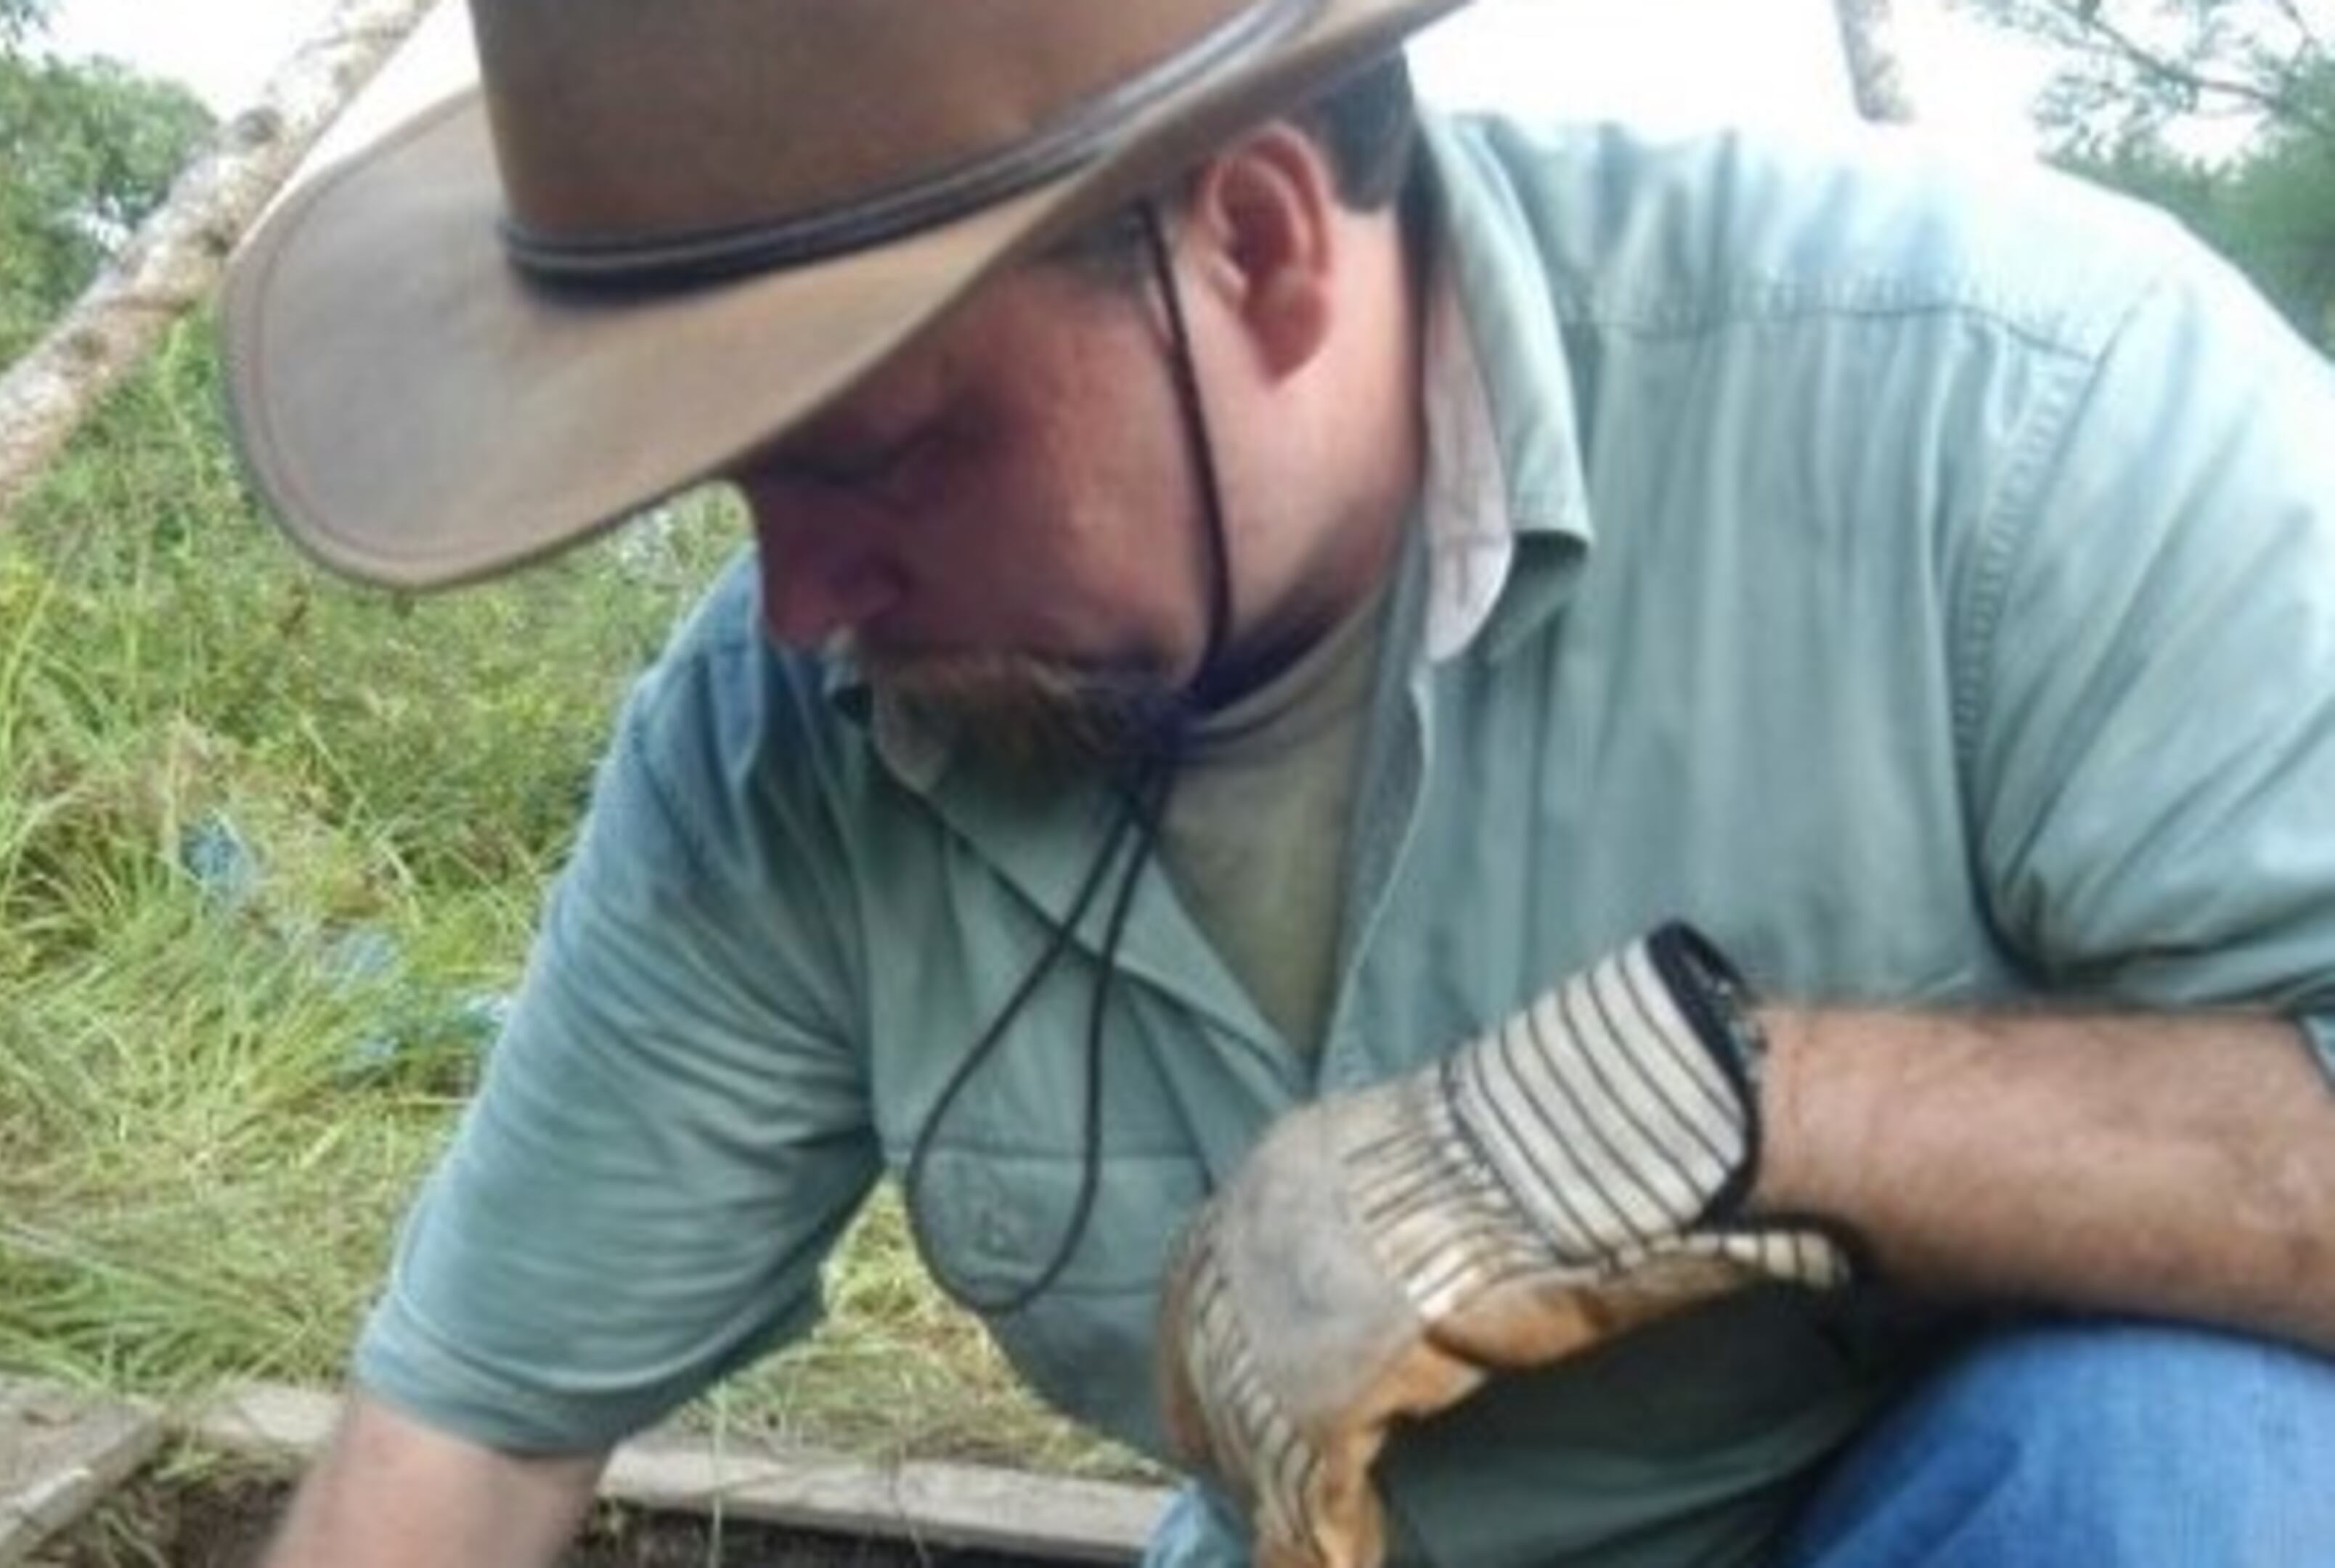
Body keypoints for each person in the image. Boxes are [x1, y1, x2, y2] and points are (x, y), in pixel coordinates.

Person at [219, 0, 2335, 1563]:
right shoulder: (782, 739)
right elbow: (470, 1443)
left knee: (2181, 1468)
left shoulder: (2016, 430)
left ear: (1255, 245)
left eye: (874, 454)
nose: (794, 604)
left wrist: (1755, 1108)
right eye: (738, 487)